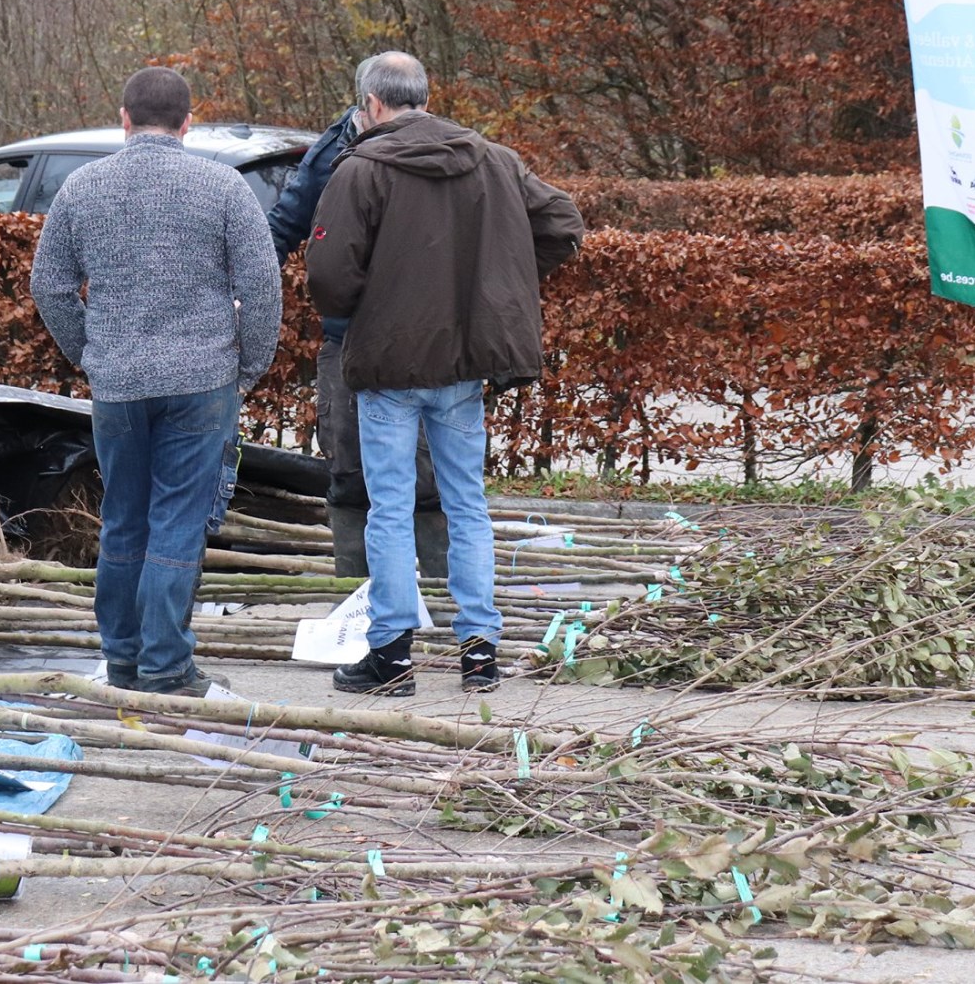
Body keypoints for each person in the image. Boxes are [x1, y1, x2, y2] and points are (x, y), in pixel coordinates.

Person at [306, 52, 584, 695]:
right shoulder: (494, 159)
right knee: (467, 506)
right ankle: (480, 654)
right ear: (424, 98)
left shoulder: (360, 169)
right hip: (463, 366)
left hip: (387, 365)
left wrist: (367, 307)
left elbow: (327, 275)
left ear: (371, 104)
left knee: (390, 510)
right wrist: (498, 285)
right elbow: (563, 224)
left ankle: (392, 657)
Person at [30, 67, 282, 696]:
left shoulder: (81, 188)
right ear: (187, 122)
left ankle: (122, 659)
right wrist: (247, 366)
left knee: (122, 520)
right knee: (177, 521)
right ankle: (166, 666)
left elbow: (49, 285)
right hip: (202, 382)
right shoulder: (222, 186)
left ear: (123, 117)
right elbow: (262, 286)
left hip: (117, 384)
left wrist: (90, 352)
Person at [266, 85, 446, 581]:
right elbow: (284, 227)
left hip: (428, 340)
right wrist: (248, 296)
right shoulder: (332, 154)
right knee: (348, 469)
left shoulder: (447, 149)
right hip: (350, 340)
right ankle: (358, 599)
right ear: (370, 103)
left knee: (430, 477)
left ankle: (443, 597)